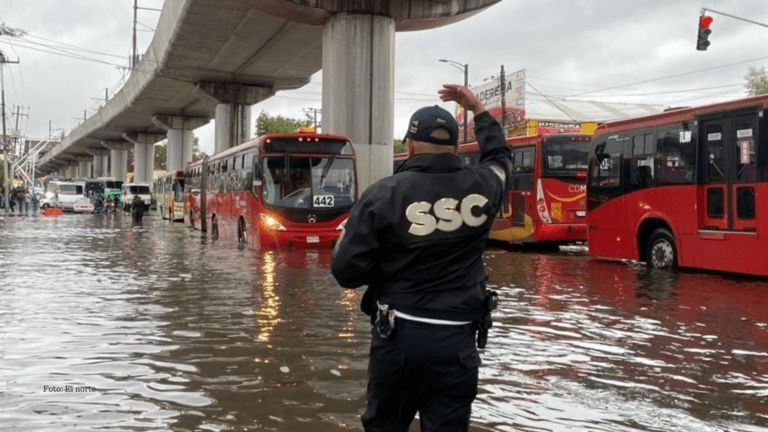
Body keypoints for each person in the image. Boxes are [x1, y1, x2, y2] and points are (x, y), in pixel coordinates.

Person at [331, 84, 511, 432]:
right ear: (457, 147)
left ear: (410, 147)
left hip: (398, 339)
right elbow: (500, 156)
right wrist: (478, 108)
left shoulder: (382, 195)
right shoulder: (484, 185)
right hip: (457, 344)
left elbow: (346, 272)